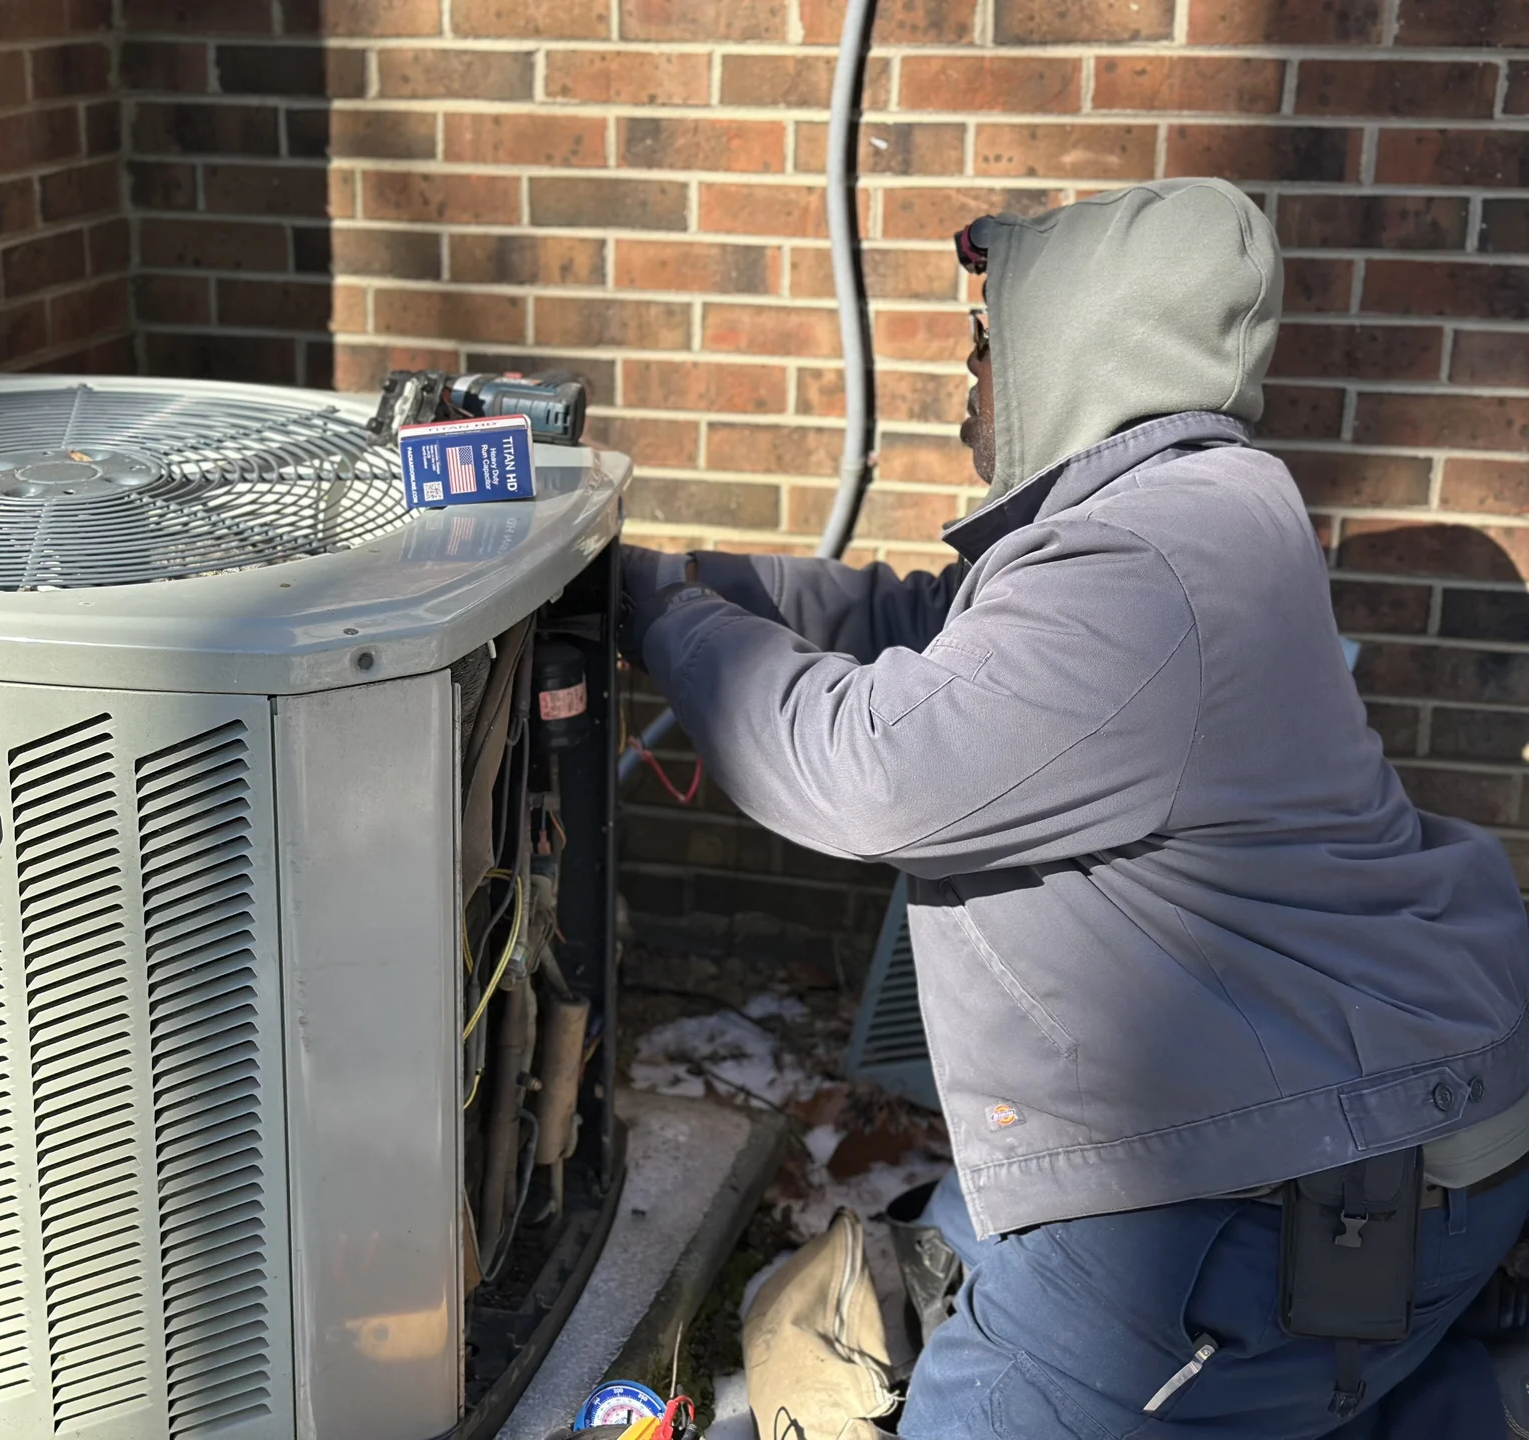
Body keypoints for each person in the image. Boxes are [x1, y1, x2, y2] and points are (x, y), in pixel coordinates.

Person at [617, 177, 1529, 1437]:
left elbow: (865, 772)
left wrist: (665, 620)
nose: (966, 370)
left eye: (988, 339)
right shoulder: (1179, 518)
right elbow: (907, 626)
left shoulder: (1143, 571)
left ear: (1080, 350)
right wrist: (667, 581)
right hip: (1356, 1125)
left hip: (1289, 1198)